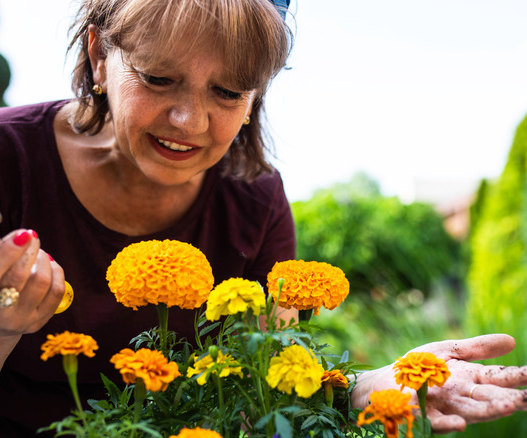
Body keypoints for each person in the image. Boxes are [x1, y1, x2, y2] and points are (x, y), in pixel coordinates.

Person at [0, 0, 526, 436]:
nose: (189, 120)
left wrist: (364, 389)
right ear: (98, 56)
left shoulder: (256, 202)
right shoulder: (9, 158)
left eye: (227, 92)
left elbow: (262, 391)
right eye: (159, 78)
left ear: (255, 95)